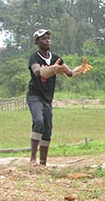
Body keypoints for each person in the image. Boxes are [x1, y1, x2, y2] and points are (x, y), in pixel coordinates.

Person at [27, 29, 92, 166]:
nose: (47, 40)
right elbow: (38, 72)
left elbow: (69, 73)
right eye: (44, 38)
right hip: (35, 95)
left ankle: (43, 164)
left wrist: (80, 69)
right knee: (38, 121)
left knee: (48, 129)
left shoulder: (56, 58)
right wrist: (54, 68)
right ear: (37, 41)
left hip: (47, 99)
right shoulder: (34, 57)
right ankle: (33, 159)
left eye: (49, 38)